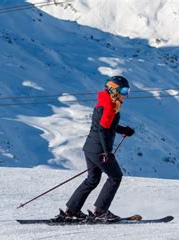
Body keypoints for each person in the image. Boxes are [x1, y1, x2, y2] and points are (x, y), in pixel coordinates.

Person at [57, 76, 135, 222]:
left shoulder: (106, 102)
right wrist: (107, 152)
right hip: (99, 149)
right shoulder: (110, 106)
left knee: (92, 180)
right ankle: (100, 211)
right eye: (124, 90)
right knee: (115, 177)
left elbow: (107, 126)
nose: (126, 94)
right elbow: (103, 130)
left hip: (90, 148)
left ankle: (72, 210)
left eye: (128, 90)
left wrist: (123, 130)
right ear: (113, 90)